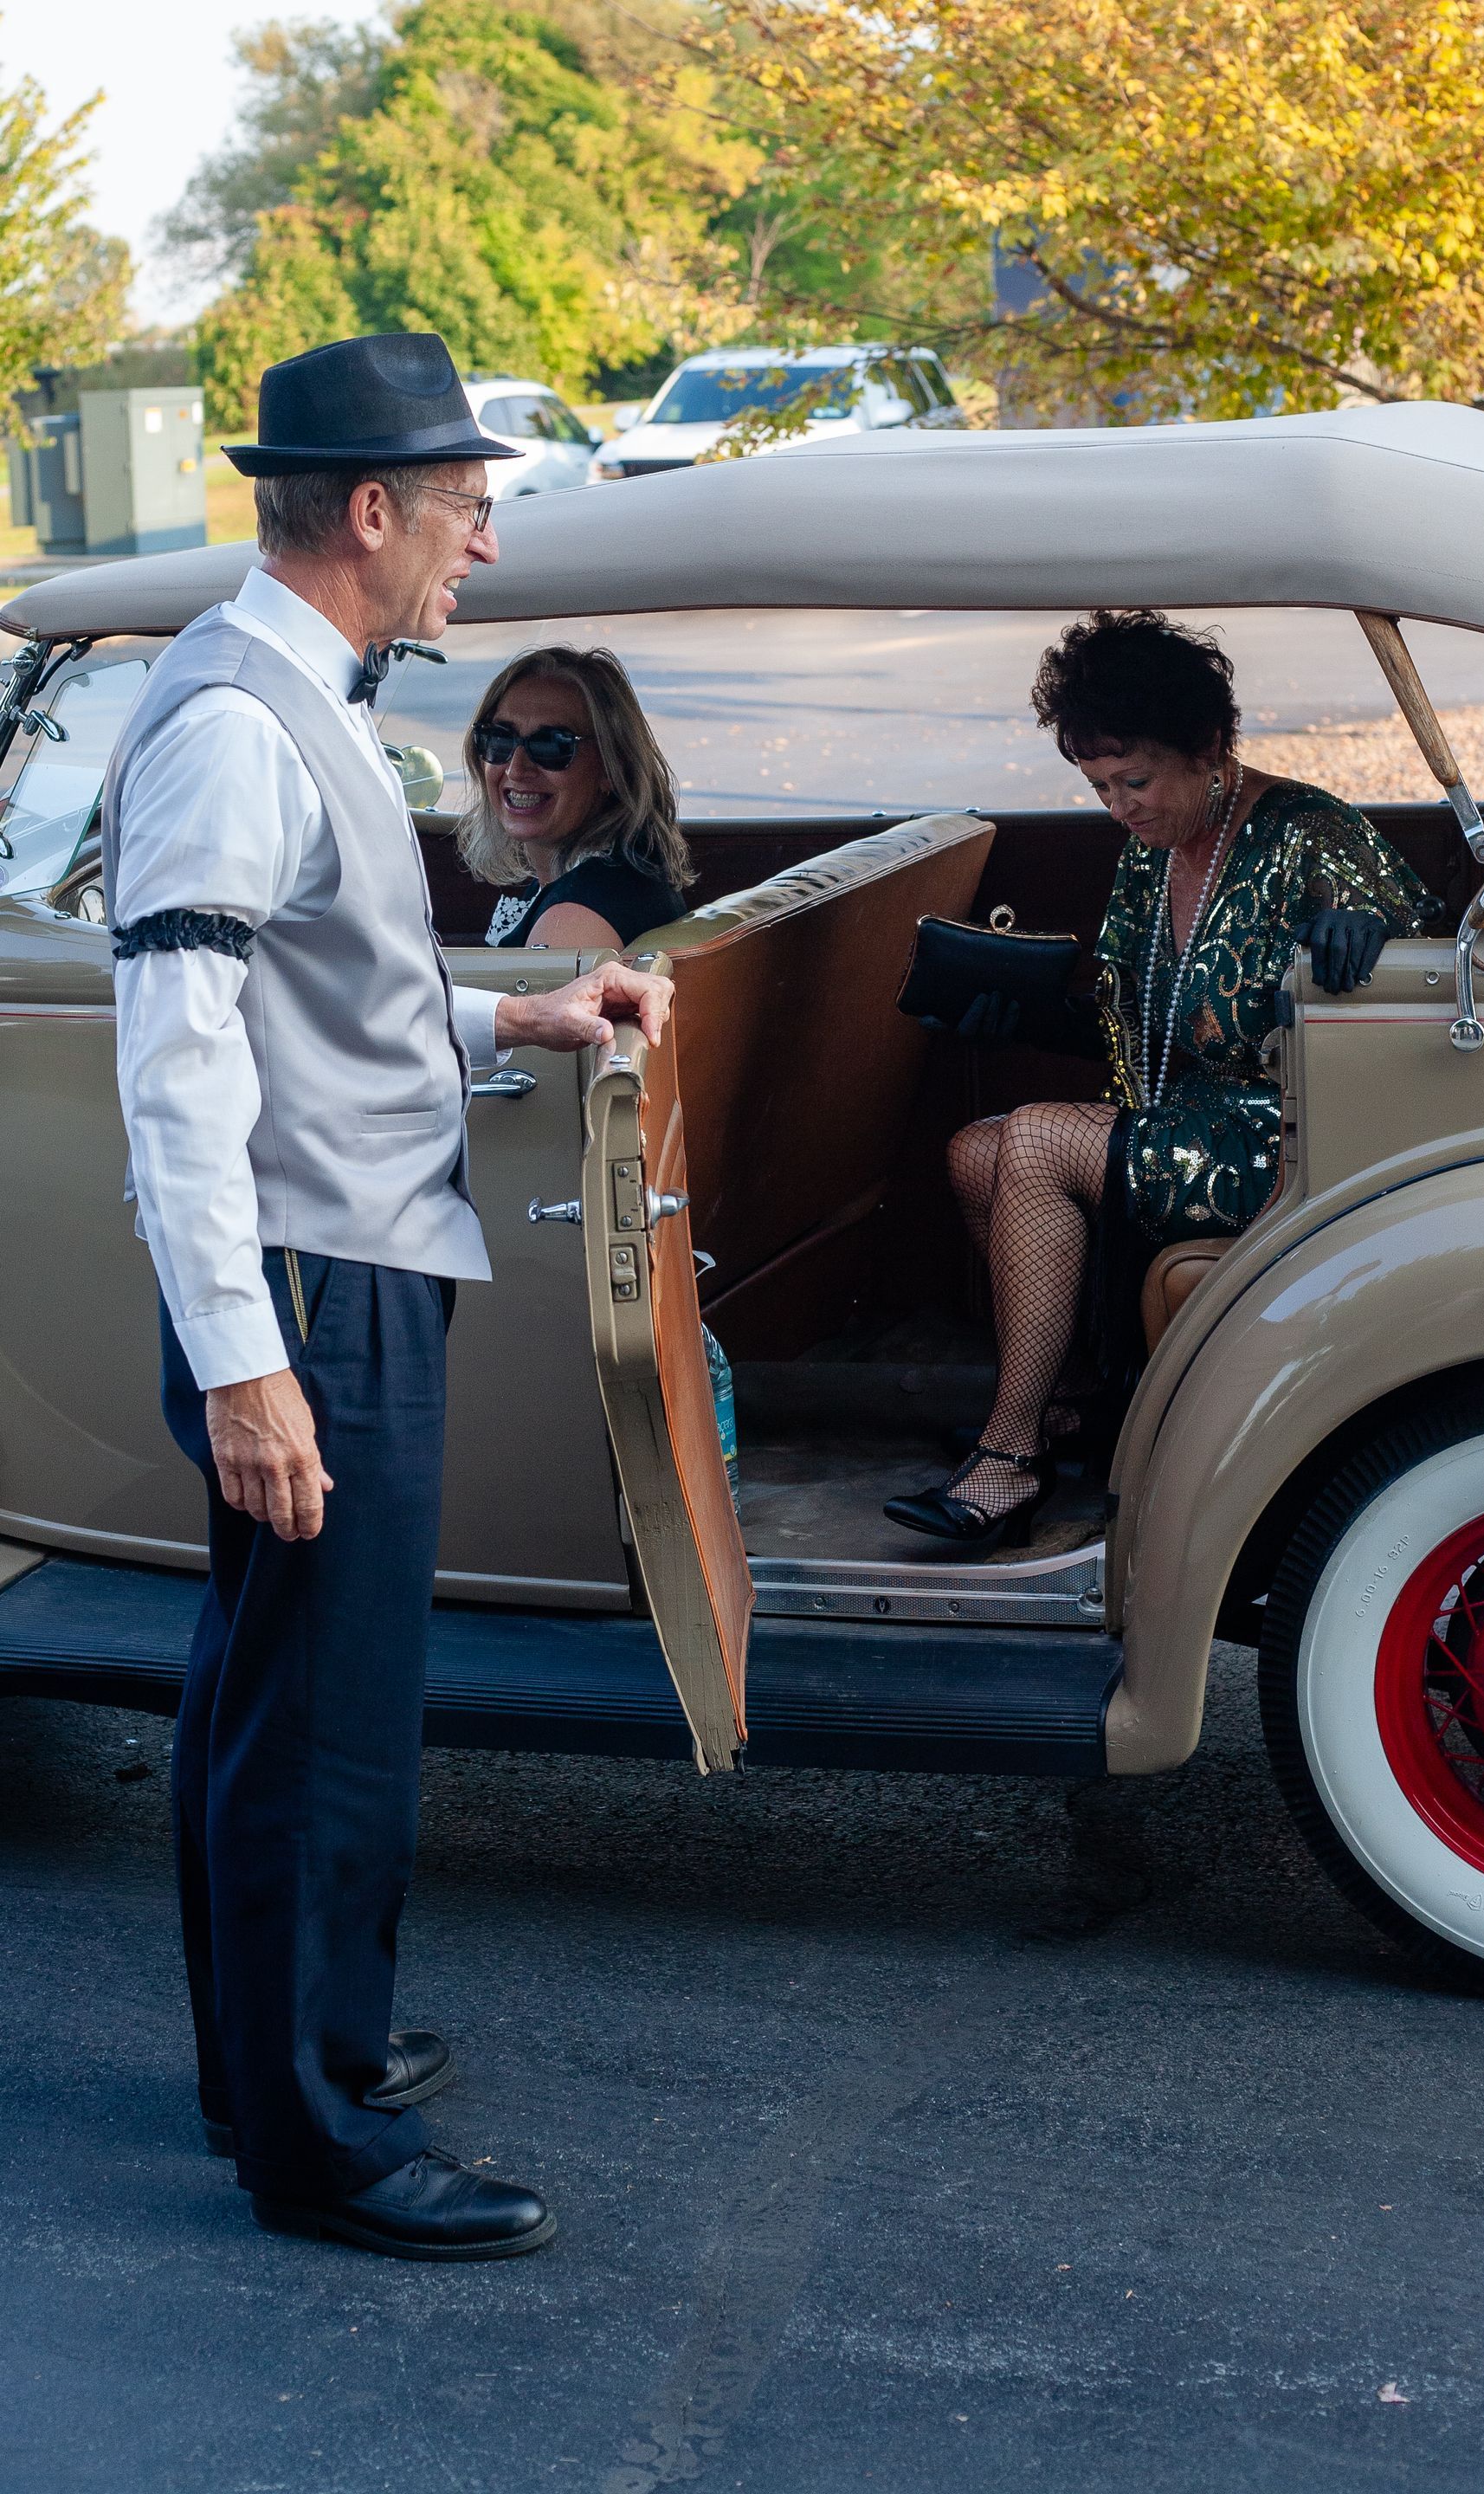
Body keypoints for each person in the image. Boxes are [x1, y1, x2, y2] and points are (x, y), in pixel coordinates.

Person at [103, 332, 673, 2262]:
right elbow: (176, 1064)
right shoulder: (241, 724)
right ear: (369, 513)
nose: (482, 549)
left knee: (277, 1697)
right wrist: (249, 1367)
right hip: (307, 1281)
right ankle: (312, 2140)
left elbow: (314, 980)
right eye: (464, 507)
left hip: (330, 1259)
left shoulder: (282, 691)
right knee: (322, 1716)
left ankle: (290, 2050)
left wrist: (506, 1007)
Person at [885, 608, 1432, 1550]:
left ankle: (1010, 1457)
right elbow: (1122, 1014)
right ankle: (1064, 1408)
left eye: (1133, 779)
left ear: (1211, 745)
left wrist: (1377, 939)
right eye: (1099, 786)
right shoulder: (1147, 855)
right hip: (1179, 1119)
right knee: (976, 1151)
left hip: (1290, 1135)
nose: (1119, 807)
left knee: (1038, 1139)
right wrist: (1010, 1012)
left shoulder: (1309, 833)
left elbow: (1440, 955)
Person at [459, 645, 690, 952]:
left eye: (551, 746)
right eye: (499, 739)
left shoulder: (577, 917)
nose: (516, 768)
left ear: (611, 767)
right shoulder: (594, 883)